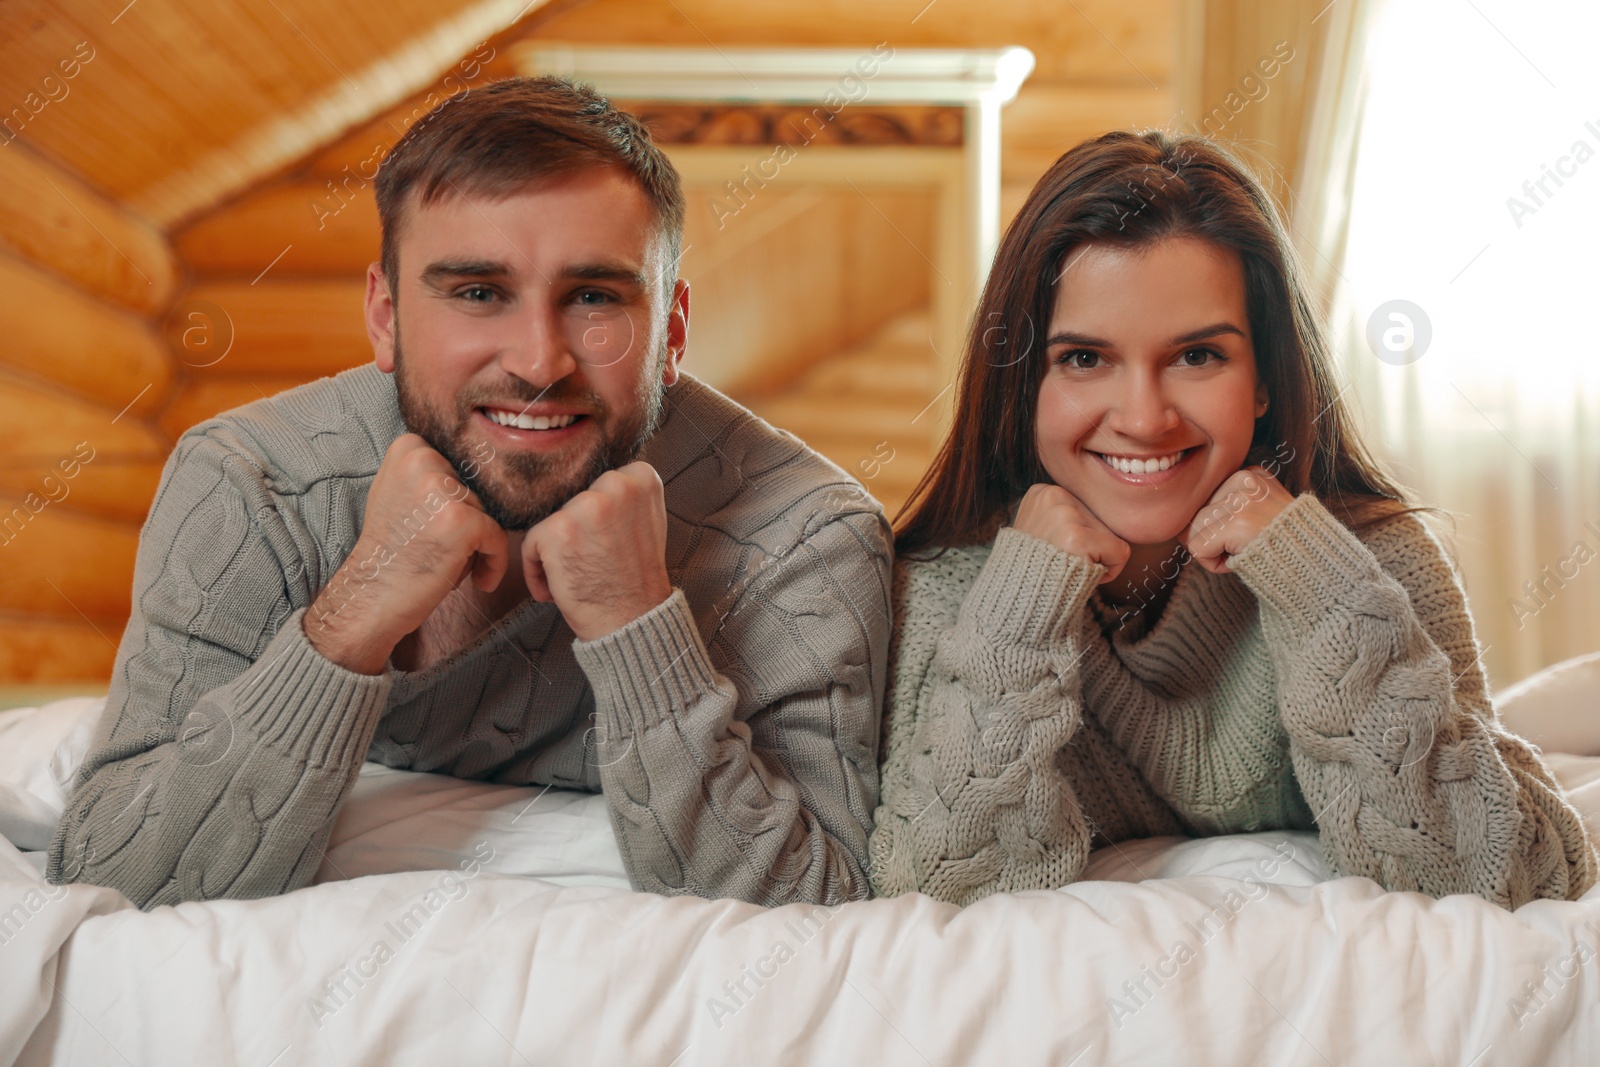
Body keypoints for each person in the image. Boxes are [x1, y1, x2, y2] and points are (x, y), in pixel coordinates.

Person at [48, 76, 892, 909]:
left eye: (593, 296)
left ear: (670, 333)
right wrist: (357, 608)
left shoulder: (806, 534)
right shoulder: (253, 481)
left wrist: (638, 627)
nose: (538, 360)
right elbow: (112, 873)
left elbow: (816, 916)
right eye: (478, 293)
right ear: (385, 316)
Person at [868, 130, 1598, 910]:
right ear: (1023, 384)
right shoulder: (955, 588)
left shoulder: (1367, 557)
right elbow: (930, 890)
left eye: (1197, 357)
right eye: (1085, 358)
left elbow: (1504, 878)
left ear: (1264, 379)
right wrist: (1023, 603)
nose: (1144, 419)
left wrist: (1314, 581)